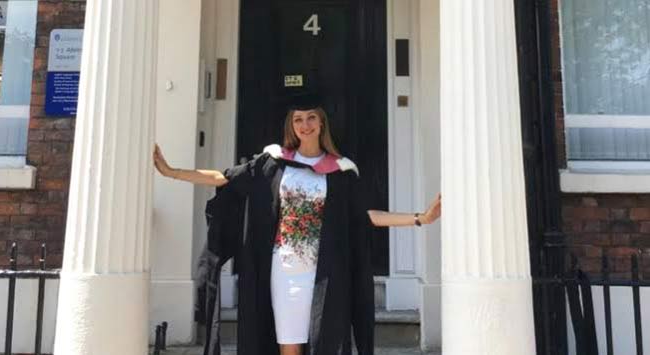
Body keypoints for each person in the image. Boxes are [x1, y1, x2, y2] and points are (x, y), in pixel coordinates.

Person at [153, 95, 440, 355]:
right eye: (298, 119)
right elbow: (224, 178)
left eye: (311, 117)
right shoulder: (274, 162)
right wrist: (171, 172)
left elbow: (365, 216)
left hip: (325, 274)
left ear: (322, 123)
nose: (305, 125)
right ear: (291, 125)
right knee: (288, 346)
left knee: (325, 342)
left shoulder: (341, 171)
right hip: (284, 272)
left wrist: (419, 218)